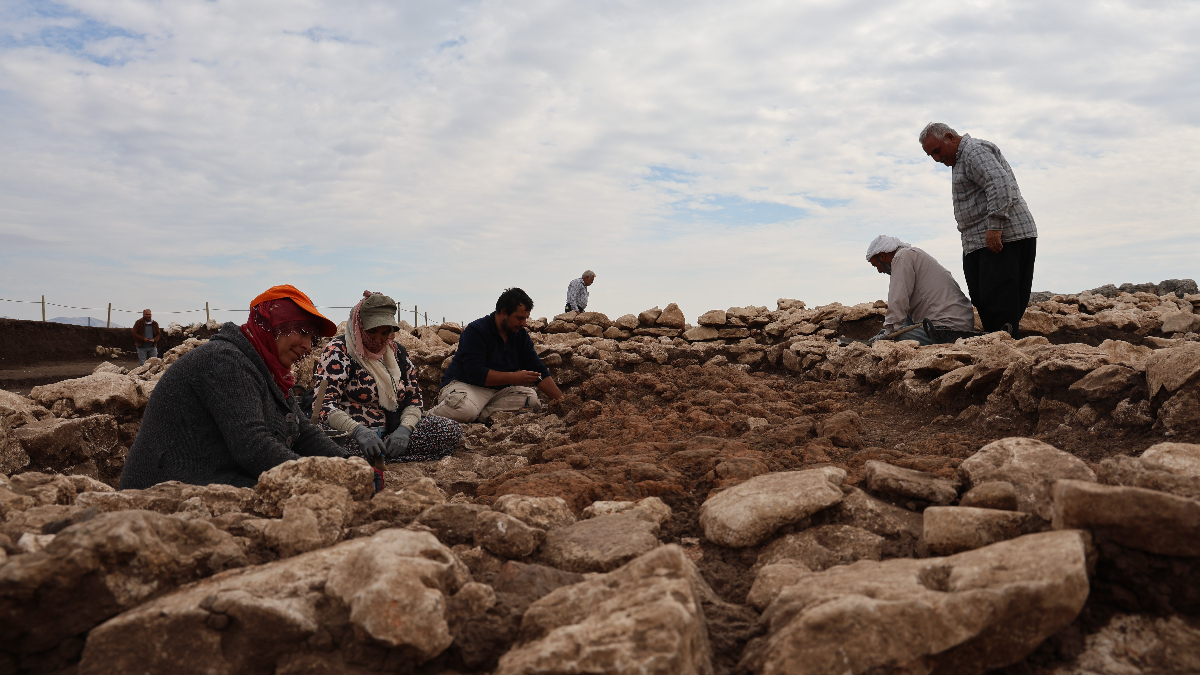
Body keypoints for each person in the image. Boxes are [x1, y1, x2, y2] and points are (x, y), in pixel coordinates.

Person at [120, 285, 347, 489]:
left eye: (313, 338)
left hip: (210, 477)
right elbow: (253, 446)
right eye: (303, 332)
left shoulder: (263, 368)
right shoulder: (225, 361)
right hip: (165, 488)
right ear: (274, 324)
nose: (308, 346)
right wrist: (326, 478)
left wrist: (351, 466)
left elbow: (304, 432)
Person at [315, 291, 463, 464]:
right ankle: (382, 456)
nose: (378, 340)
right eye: (372, 332)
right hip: (352, 435)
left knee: (449, 430)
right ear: (358, 326)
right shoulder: (339, 351)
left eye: (385, 333)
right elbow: (324, 405)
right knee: (322, 440)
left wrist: (405, 430)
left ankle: (379, 455)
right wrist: (358, 432)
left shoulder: (397, 353)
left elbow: (414, 401)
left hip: (392, 431)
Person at [920, 122, 1038, 337]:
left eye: (937, 151)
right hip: (980, 242)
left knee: (999, 303)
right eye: (932, 156)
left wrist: (995, 227)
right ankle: (999, 349)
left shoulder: (973, 151)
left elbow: (999, 183)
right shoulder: (961, 158)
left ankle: (1004, 353)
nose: (937, 159)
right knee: (985, 300)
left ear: (950, 137)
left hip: (1004, 239)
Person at [431, 287, 563, 423]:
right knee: (465, 409)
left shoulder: (520, 336)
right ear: (504, 312)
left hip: (497, 392)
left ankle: (477, 415)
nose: (524, 323)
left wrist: (563, 401)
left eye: (526, 318)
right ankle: (422, 419)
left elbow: (538, 370)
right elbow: (475, 373)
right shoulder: (476, 331)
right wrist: (514, 378)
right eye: (520, 318)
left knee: (531, 398)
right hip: (466, 386)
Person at [865, 235, 976, 346]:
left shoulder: (902, 257)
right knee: (894, 330)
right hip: (958, 324)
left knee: (894, 343)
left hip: (946, 328)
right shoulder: (912, 255)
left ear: (882, 256)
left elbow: (898, 300)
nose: (879, 271)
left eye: (876, 265)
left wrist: (887, 335)